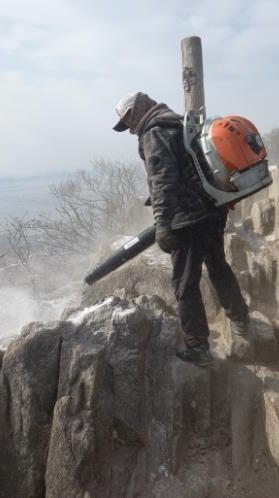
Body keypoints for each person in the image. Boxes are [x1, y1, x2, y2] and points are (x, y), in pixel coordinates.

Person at [113, 91, 252, 367]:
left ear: (137, 110)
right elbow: (183, 168)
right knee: (218, 266)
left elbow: (163, 178)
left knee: (185, 283)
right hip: (212, 208)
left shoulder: (154, 132)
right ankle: (241, 319)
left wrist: (163, 222)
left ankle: (198, 347)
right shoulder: (176, 121)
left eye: (128, 120)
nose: (129, 129)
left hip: (188, 218)